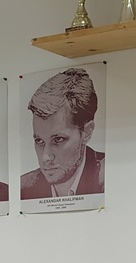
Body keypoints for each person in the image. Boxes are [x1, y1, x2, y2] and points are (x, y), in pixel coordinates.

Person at [20, 67, 105, 199]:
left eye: (58, 140)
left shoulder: (109, 176)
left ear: (87, 132)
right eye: (39, 141)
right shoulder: (24, 187)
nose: (45, 157)